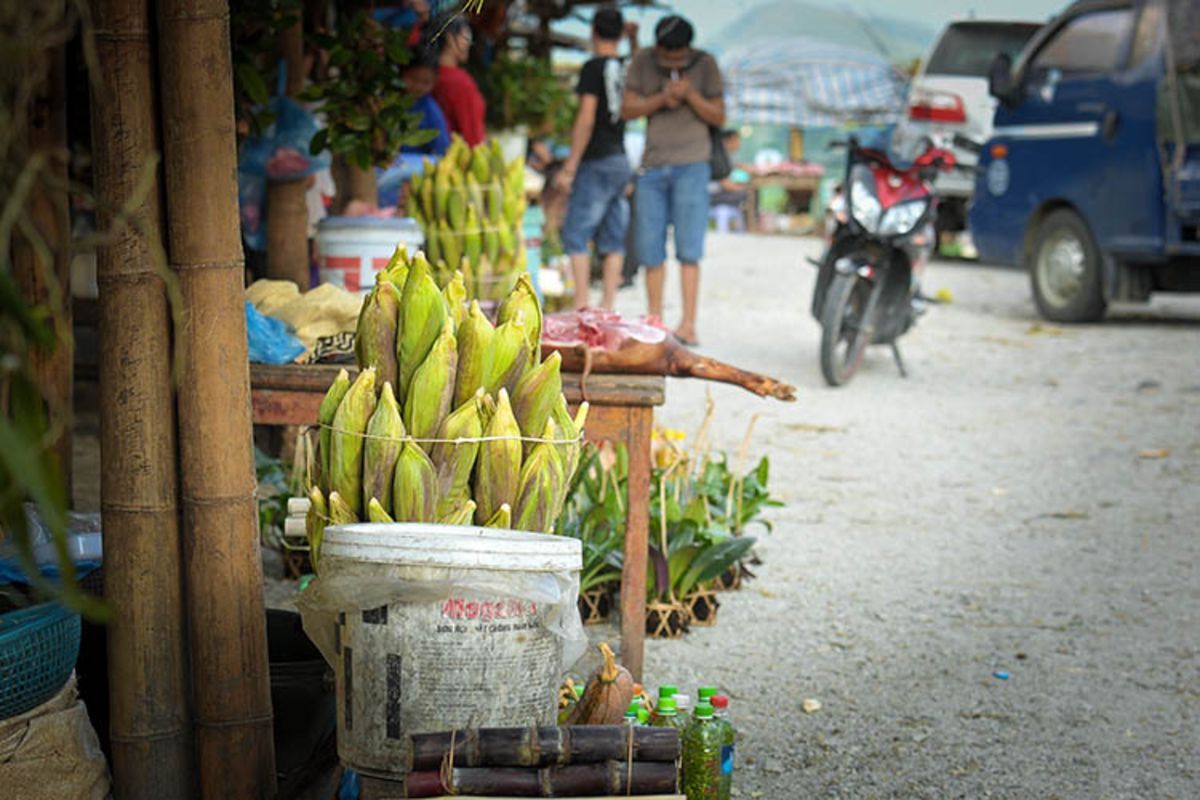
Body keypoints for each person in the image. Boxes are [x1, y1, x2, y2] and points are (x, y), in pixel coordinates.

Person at [622, 15, 724, 346]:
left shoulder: (706, 64)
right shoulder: (643, 60)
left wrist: (690, 95)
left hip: (693, 164)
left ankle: (688, 324)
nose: (672, 62)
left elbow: (720, 116)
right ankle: (655, 321)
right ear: (659, 47)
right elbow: (627, 109)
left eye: (679, 57)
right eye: (668, 56)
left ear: (688, 49)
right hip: (653, 166)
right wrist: (661, 99)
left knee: (689, 248)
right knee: (650, 247)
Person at [555, 7, 632, 310]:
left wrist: (570, 166)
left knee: (576, 234)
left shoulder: (593, 68)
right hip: (620, 158)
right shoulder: (627, 66)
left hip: (596, 160)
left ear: (594, 31)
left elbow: (586, 118)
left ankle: (582, 305)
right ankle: (608, 305)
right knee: (613, 237)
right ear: (622, 32)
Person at [433, 19, 486, 146]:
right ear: (450, 38)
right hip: (454, 156)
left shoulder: (425, 74)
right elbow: (473, 137)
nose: (469, 44)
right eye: (466, 38)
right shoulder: (460, 82)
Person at [708, 129, 751, 232]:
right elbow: (724, 183)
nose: (738, 144)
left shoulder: (726, 156)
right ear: (729, 140)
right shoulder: (719, 156)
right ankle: (752, 225)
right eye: (737, 140)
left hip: (717, 193)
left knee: (746, 193)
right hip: (713, 196)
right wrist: (741, 188)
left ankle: (745, 226)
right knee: (748, 194)